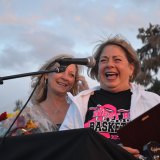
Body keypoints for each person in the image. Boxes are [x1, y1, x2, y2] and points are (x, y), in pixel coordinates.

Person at [60, 36, 160, 158]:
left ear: (131, 68)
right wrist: (110, 153)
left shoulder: (152, 102)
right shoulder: (80, 103)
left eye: (117, 60)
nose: (109, 64)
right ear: (97, 69)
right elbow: (65, 148)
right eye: (103, 60)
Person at [0, 54, 89, 136]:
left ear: (74, 82)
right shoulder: (28, 116)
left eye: (71, 75)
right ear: (46, 74)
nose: (65, 77)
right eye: (60, 70)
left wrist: (88, 100)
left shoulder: (78, 112)